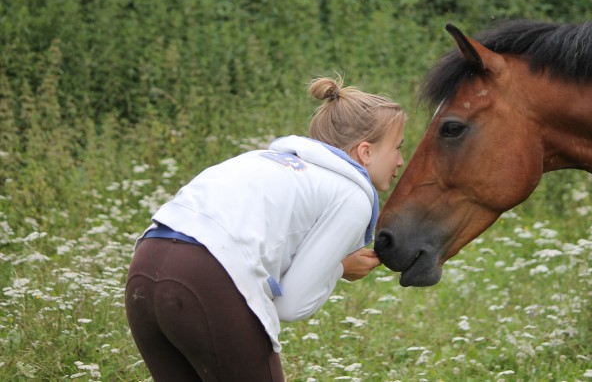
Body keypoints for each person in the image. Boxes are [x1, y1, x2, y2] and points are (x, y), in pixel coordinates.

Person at [125, 75, 406, 381]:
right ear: (365, 152)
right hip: (206, 279)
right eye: (397, 148)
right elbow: (291, 305)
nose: (401, 161)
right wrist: (340, 268)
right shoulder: (351, 195)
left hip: (144, 269)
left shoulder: (266, 160)